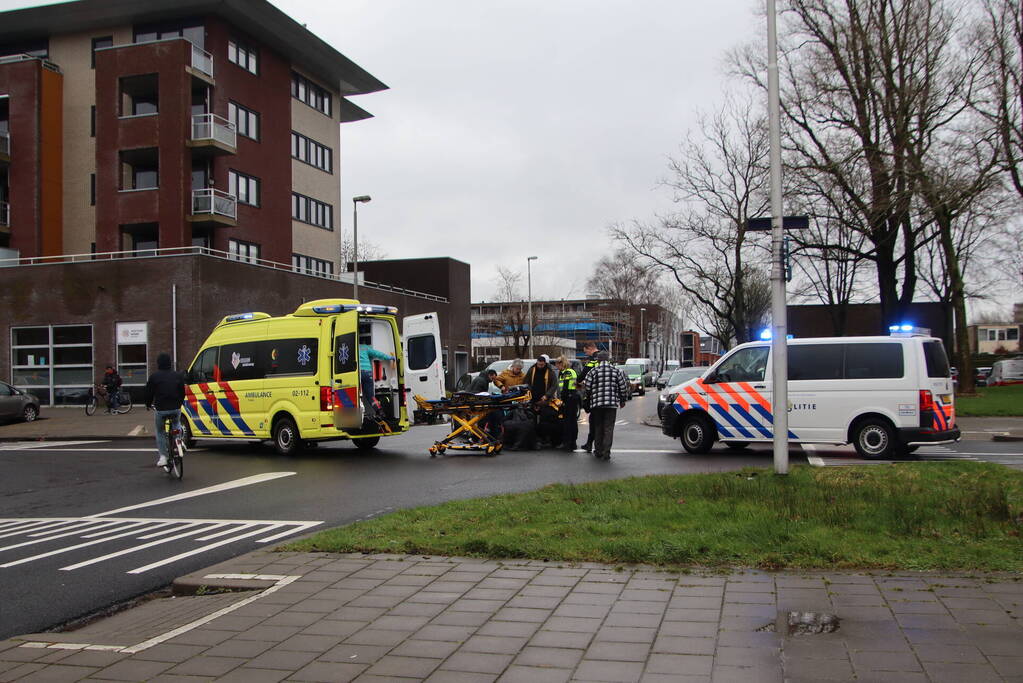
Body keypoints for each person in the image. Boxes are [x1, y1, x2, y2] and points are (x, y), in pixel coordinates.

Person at [580, 350, 629, 461]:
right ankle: (606, 452)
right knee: (608, 428)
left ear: (598, 360)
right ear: (608, 360)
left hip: (596, 404)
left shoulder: (593, 371)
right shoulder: (616, 371)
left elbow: (586, 386)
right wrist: (622, 400)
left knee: (598, 427)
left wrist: (589, 396)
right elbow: (623, 387)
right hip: (611, 404)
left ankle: (598, 451)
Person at [144, 353, 185, 467]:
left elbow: (149, 393)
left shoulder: (154, 377)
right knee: (176, 423)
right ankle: (179, 442)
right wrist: (180, 403)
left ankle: (163, 456)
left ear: (158, 364)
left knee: (160, 431)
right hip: (175, 408)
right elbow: (182, 391)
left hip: (161, 409)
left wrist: (147, 404)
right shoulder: (177, 376)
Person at [359, 343, 396, 418]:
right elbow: (378, 354)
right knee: (370, 396)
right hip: (367, 373)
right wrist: (390, 357)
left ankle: (360, 414)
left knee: (358, 396)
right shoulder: (365, 348)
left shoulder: (351, 347)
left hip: (357, 373)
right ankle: (380, 411)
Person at [578, 342, 600, 452]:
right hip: (606, 395)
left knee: (594, 421)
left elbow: (584, 374)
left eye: (586, 351)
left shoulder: (593, 360)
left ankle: (592, 445)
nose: (586, 353)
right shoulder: (604, 358)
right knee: (603, 424)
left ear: (590, 348)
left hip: (594, 395)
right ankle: (595, 445)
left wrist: (577, 382)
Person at [555, 355, 579, 451]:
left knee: (568, 422)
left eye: (557, 364)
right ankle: (572, 442)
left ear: (561, 363)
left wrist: (562, 401)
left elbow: (565, 388)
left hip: (569, 398)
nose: (556, 367)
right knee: (572, 421)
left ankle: (568, 443)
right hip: (571, 397)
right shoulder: (568, 372)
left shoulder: (567, 372)